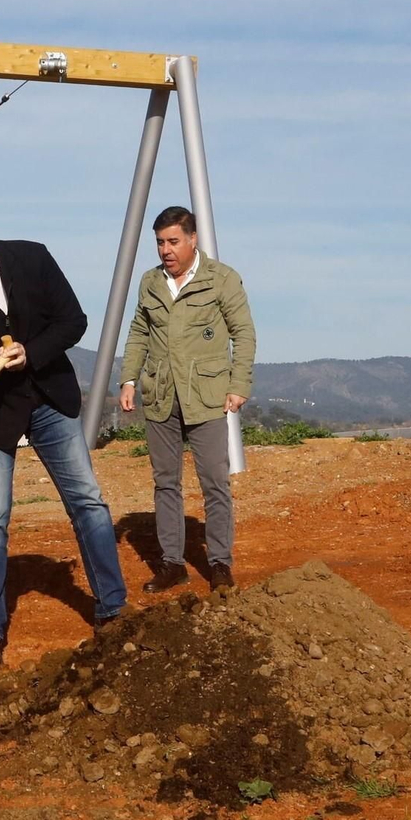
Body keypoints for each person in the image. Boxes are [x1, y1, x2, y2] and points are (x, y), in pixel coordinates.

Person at [0, 206, 129, 669]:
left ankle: (113, 607)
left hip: (49, 397)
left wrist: (32, 352)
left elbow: (73, 321)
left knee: (87, 501)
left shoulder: (33, 259)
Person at [119, 206, 257, 591]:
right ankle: (172, 564)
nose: (166, 250)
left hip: (207, 396)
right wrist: (128, 379)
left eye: (173, 241)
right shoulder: (151, 282)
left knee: (214, 482)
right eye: (161, 242)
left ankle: (219, 564)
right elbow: (139, 332)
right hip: (161, 395)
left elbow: (243, 333)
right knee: (166, 483)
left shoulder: (222, 279)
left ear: (193, 240)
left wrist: (239, 384)